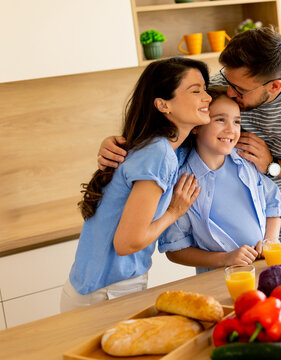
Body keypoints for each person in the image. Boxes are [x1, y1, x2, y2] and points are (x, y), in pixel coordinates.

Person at [97, 27, 281, 247]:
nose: (228, 93)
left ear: (274, 86)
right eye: (227, 82)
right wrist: (124, 145)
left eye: (239, 90)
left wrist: (273, 166)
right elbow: (173, 123)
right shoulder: (224, 85)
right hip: (233, 244)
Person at [60, 57, 212, 312]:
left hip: (97, 288)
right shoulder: (158, 153)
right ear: (163, 105)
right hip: (107, 293)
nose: (206, 97)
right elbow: (127, 243)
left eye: (205, 89)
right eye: (196, 91)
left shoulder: (164, 148)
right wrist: (175, 211)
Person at [159, 87, 281, 274]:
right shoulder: (183, 183)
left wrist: (270, 241)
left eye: (236, 122)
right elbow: (175, 249)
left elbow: (273, 200)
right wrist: (225, 259)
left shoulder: (245, 161)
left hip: (261, 268)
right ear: (196, 126)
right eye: (220, 119)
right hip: (218, 281)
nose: (231, 129)